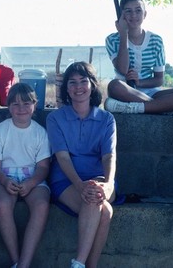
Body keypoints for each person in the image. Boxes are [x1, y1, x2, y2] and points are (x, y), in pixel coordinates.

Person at [47, 62, 118, 268]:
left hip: (101, 179)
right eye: (73, 83)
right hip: (67, 180)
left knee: (96, 196)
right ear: (66, 88)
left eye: (83, 81)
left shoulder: (106, 119)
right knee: (104, 211)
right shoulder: (55, 118)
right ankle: (87, 265)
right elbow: (63, 158)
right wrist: (79, 185)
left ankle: (78, 263)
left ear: (92, 85)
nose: (78, 87)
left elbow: (109, 157)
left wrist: (109, 184)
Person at [0, 82, 50, 268]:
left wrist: (32, 183)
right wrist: (4, 180)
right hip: (4, 177)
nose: (21, 108)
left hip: (33, 178)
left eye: (26, 103)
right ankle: (15, 260)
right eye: (16, 104)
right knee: (3, 204)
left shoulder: (40, 133)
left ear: (35, 105)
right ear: (9, 106)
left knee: (42, 205)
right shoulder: (1, 130)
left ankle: (24, 264)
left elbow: (43, 167)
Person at [105, 0, 173, 116]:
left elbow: (158, 80)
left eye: (138, 10)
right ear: (122, 16)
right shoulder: (112, 39)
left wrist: (140, 82)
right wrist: (123, 34)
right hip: (125, 91)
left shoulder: (156, 40)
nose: (133, 15)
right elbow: (122, 69)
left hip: (152, 92)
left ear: (145, 14)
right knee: (114, 86)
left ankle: (136, 108)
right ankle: (167, 108)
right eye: (128, 11)